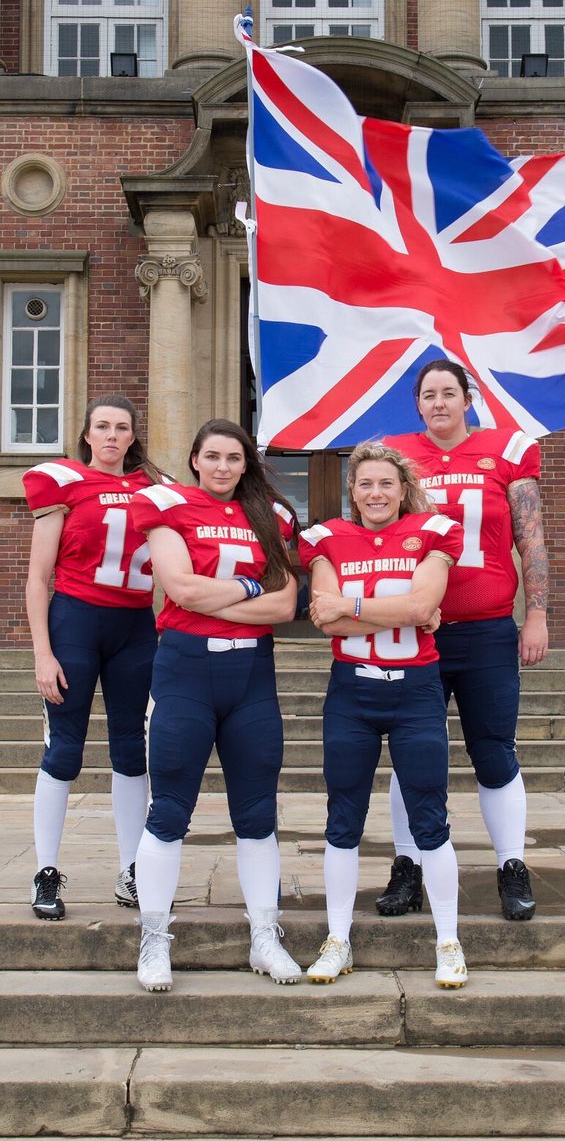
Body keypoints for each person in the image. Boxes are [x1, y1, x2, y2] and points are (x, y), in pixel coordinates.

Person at [129, 419, 300, 993]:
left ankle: (264, 936)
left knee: (256, 813)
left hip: (251, 674)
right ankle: (154, 939)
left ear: (245, 463)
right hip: (186, 671)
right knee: (169, 807)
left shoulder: (271, 517)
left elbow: (285, 606)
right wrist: (251, 591)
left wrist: (223, 600)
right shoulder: (169, 505)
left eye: (234, 457)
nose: (224, 467)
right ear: (196, 460)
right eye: (213, 456)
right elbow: (180, 588)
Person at [376, 357, 549, 922]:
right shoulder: (397, 456)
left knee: (494, 749)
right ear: (417, 403)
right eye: (428, 395)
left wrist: (538, 614)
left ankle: (511, 865)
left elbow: (531, 538)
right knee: (410, 754)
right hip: (416, 629)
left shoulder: (507, 451)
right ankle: (408, 865)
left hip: (487, 629)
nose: (439, 403)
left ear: (467, 398)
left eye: (449, 393)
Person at [298, 441, 468, 989]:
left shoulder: (434, 531)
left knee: (430, 819)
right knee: (342, 818)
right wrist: (404, 614)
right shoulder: (326, 539)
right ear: (352, 490)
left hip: (416, 691)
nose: (376, 493)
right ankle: (338, 940)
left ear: (402, 490)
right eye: (365, 484)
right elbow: (326, 620)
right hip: (353, 694)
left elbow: (420, 608)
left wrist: (355, 607)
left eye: (386, 484)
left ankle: (448, 941)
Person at [23, 394, 167, 921]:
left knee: (132, 751)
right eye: (102, 426)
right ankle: (46, 869)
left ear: (132, 437)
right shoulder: (63, 483)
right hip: (75, 623)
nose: (111, 435)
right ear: (87, 434)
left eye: (121, 427)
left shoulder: (156, 492)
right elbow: (39, 577)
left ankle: (132, 868)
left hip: (134, 626)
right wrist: (42, 652)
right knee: (64, 750)